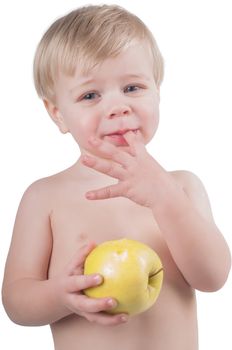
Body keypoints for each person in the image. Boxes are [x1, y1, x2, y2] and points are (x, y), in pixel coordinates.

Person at [2, 4, 231, 350]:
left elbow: (213, 277)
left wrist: (166, 199)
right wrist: (59, 295)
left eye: (133, 88)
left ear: (158, 91)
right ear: (57, 114)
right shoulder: (44, 197)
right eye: (90, 95)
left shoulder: (181, 186)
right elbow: (16, 302)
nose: (117, 107)